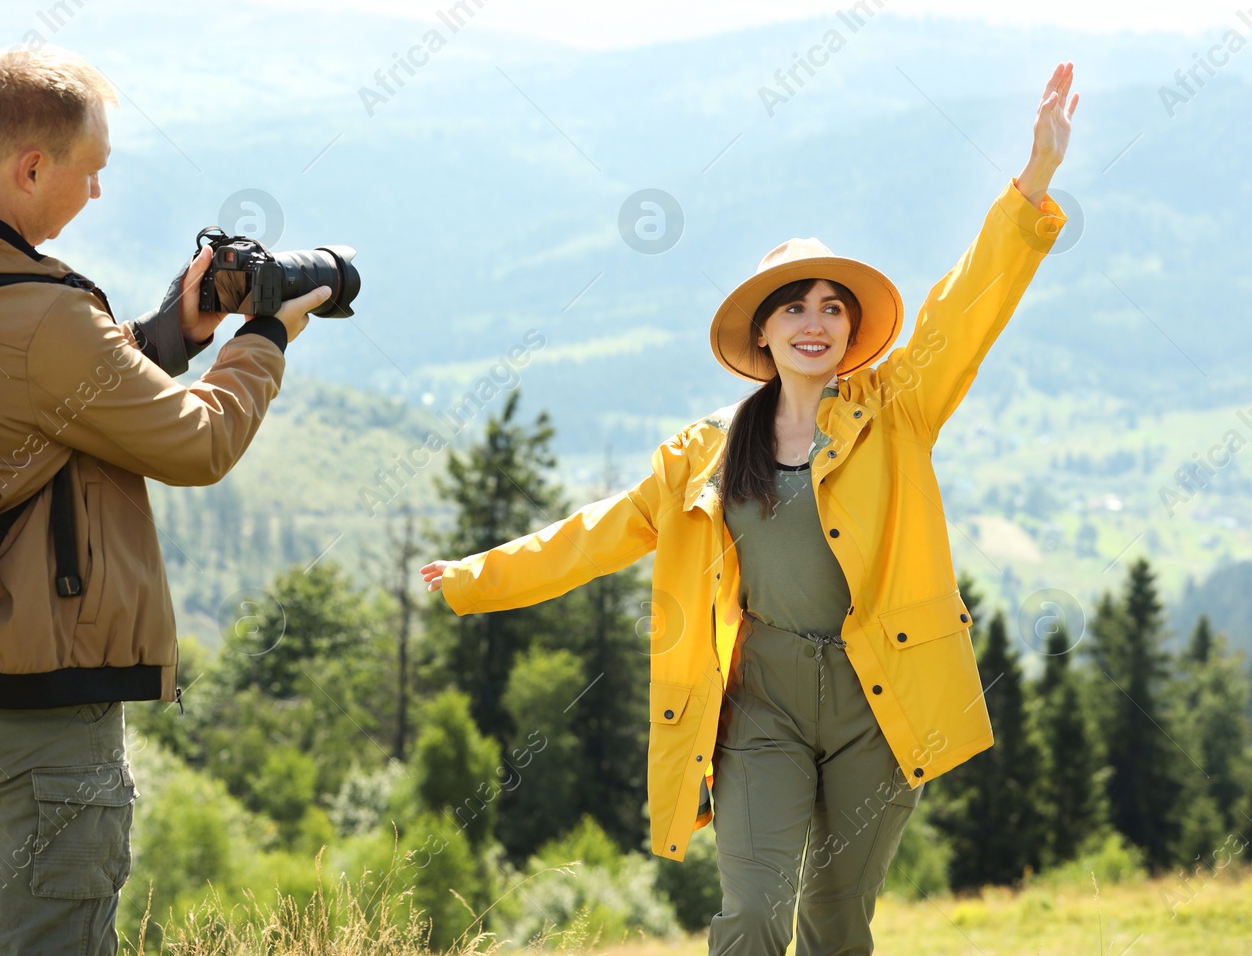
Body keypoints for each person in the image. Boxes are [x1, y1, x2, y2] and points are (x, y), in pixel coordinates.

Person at [422, 63, 1078, 955]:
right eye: (796, 307)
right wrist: (472, 577)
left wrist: (1031, 182)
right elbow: (592, 534)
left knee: (837, 922)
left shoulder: (899, 409)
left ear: (850, 330)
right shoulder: (702, 456)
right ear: (763, 333)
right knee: (754, 916)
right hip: (760, 705)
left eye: (834, 307)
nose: (818, 321)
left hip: (877, 705)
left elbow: (963, 308)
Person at [0, 45, 332, 954]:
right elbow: (199, 441)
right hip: (29, 695)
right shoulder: (43, 310)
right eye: (89, 173)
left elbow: (26, 396)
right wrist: (262, 338)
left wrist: (169, 333)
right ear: (32, 167)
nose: (96, 195)